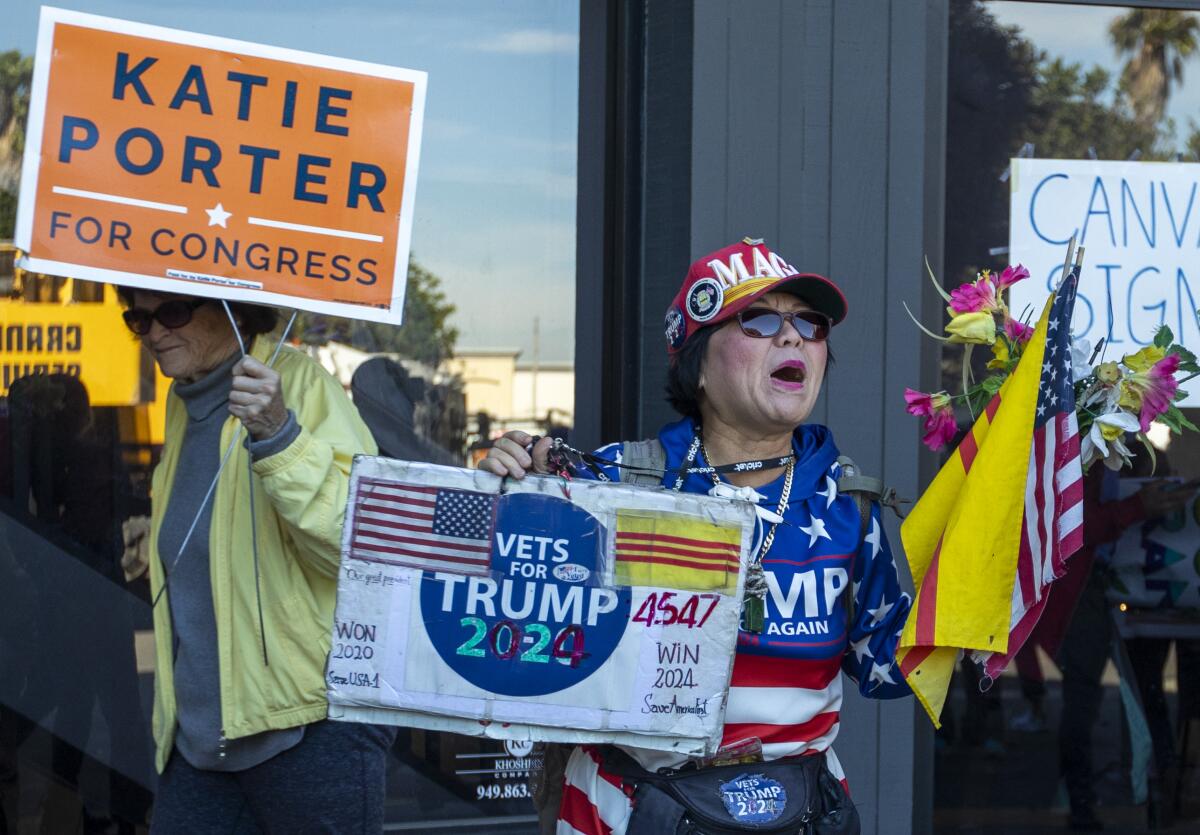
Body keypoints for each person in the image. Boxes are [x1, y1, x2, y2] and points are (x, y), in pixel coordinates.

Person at [483, 238, 913, 835]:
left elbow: (894, 663)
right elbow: (517, 625)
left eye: (809, 325)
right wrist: (506, 486)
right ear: (697, 364)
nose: (793, 338)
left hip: (798, 810)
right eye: (760, 320)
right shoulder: (608, 483)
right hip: (631, 806)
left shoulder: (849, 503)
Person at [117, 289, 393, 833]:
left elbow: (363, 544)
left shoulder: (299, 385)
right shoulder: (184, 399)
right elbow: (223, 535)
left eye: (171, 313)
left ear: (233, 310)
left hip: (304, 727)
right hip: (202, 734)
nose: (153, 333)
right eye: (138, 319)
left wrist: (279, 434)